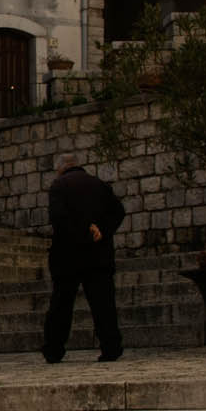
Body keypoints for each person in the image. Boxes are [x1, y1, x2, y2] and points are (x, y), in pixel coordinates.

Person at [43, 155, 124, 363]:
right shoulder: (99, 184)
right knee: (103, 304)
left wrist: (82, 232)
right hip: (98, 255)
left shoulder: (59, 186)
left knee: (61, 305)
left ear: (61, 169)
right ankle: (111, 347)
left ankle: (54, 350)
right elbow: (118, 211)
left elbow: (58, 218)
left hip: (68, 256)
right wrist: (101, 230)